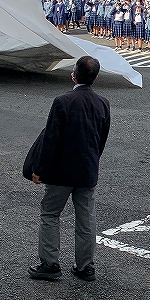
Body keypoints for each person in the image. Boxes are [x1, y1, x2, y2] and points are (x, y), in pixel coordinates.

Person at [28, 56, 111, 282]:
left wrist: (39, 168)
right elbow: (101, 139)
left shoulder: (62, 101)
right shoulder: (103, 103)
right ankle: (85, 266)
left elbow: (51, 139)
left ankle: (50, 263)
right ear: (95, 78)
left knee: (50, 214)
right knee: (86, 219)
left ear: (74, 73)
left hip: (61, 172)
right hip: (87, 170)